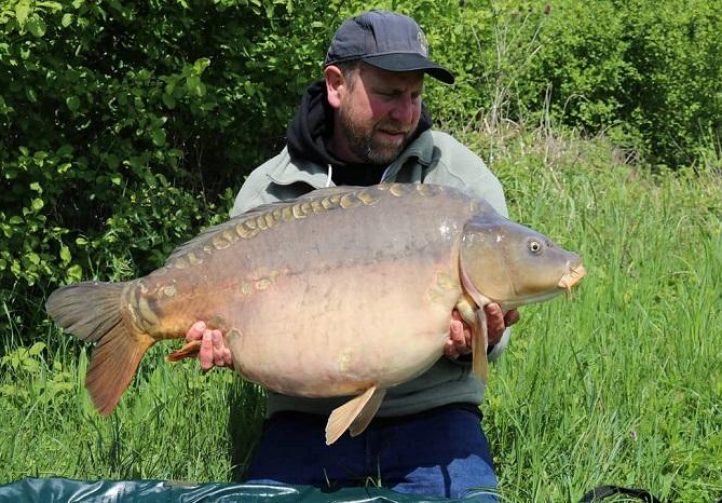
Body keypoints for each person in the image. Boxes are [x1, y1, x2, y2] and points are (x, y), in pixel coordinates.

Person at [186, 10, 519, 500]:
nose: (406, 114)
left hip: (434, 413)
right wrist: (223, 342)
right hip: (305, 417)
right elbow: (246, 329)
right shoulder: (270, 191)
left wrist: (483, 336)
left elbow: (499, 327)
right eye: (388, 94)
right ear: (337, 85)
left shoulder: (459, 183)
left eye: (415, 96)